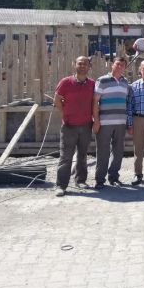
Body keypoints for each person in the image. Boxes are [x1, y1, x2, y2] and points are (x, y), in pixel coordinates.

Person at [53, 56, 95, 197]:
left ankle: (80, 180)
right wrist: (65, 112)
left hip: (86, 125)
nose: (82, 66)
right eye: (80, 63)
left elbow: (94, 102)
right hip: (69, 126)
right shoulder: (65, 82)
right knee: (66, 157)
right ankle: (61, 185)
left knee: (82, 155)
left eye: (85, 64)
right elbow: (57, 100)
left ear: (89, 66)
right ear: (74, 65)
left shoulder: (92, 84)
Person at [92, 56, 131, 189]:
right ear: (112, 65)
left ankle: (113, 177)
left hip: (121, 122)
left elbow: (126, 102)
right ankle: (99, 180)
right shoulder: (102, 80)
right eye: (117, 64)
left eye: (122, 65)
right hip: (104, 122)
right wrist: (96, 120)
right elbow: (95, 102)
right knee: (103, 152)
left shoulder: (125, 82)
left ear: (125, 67)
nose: (120, 67)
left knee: (118, 151)